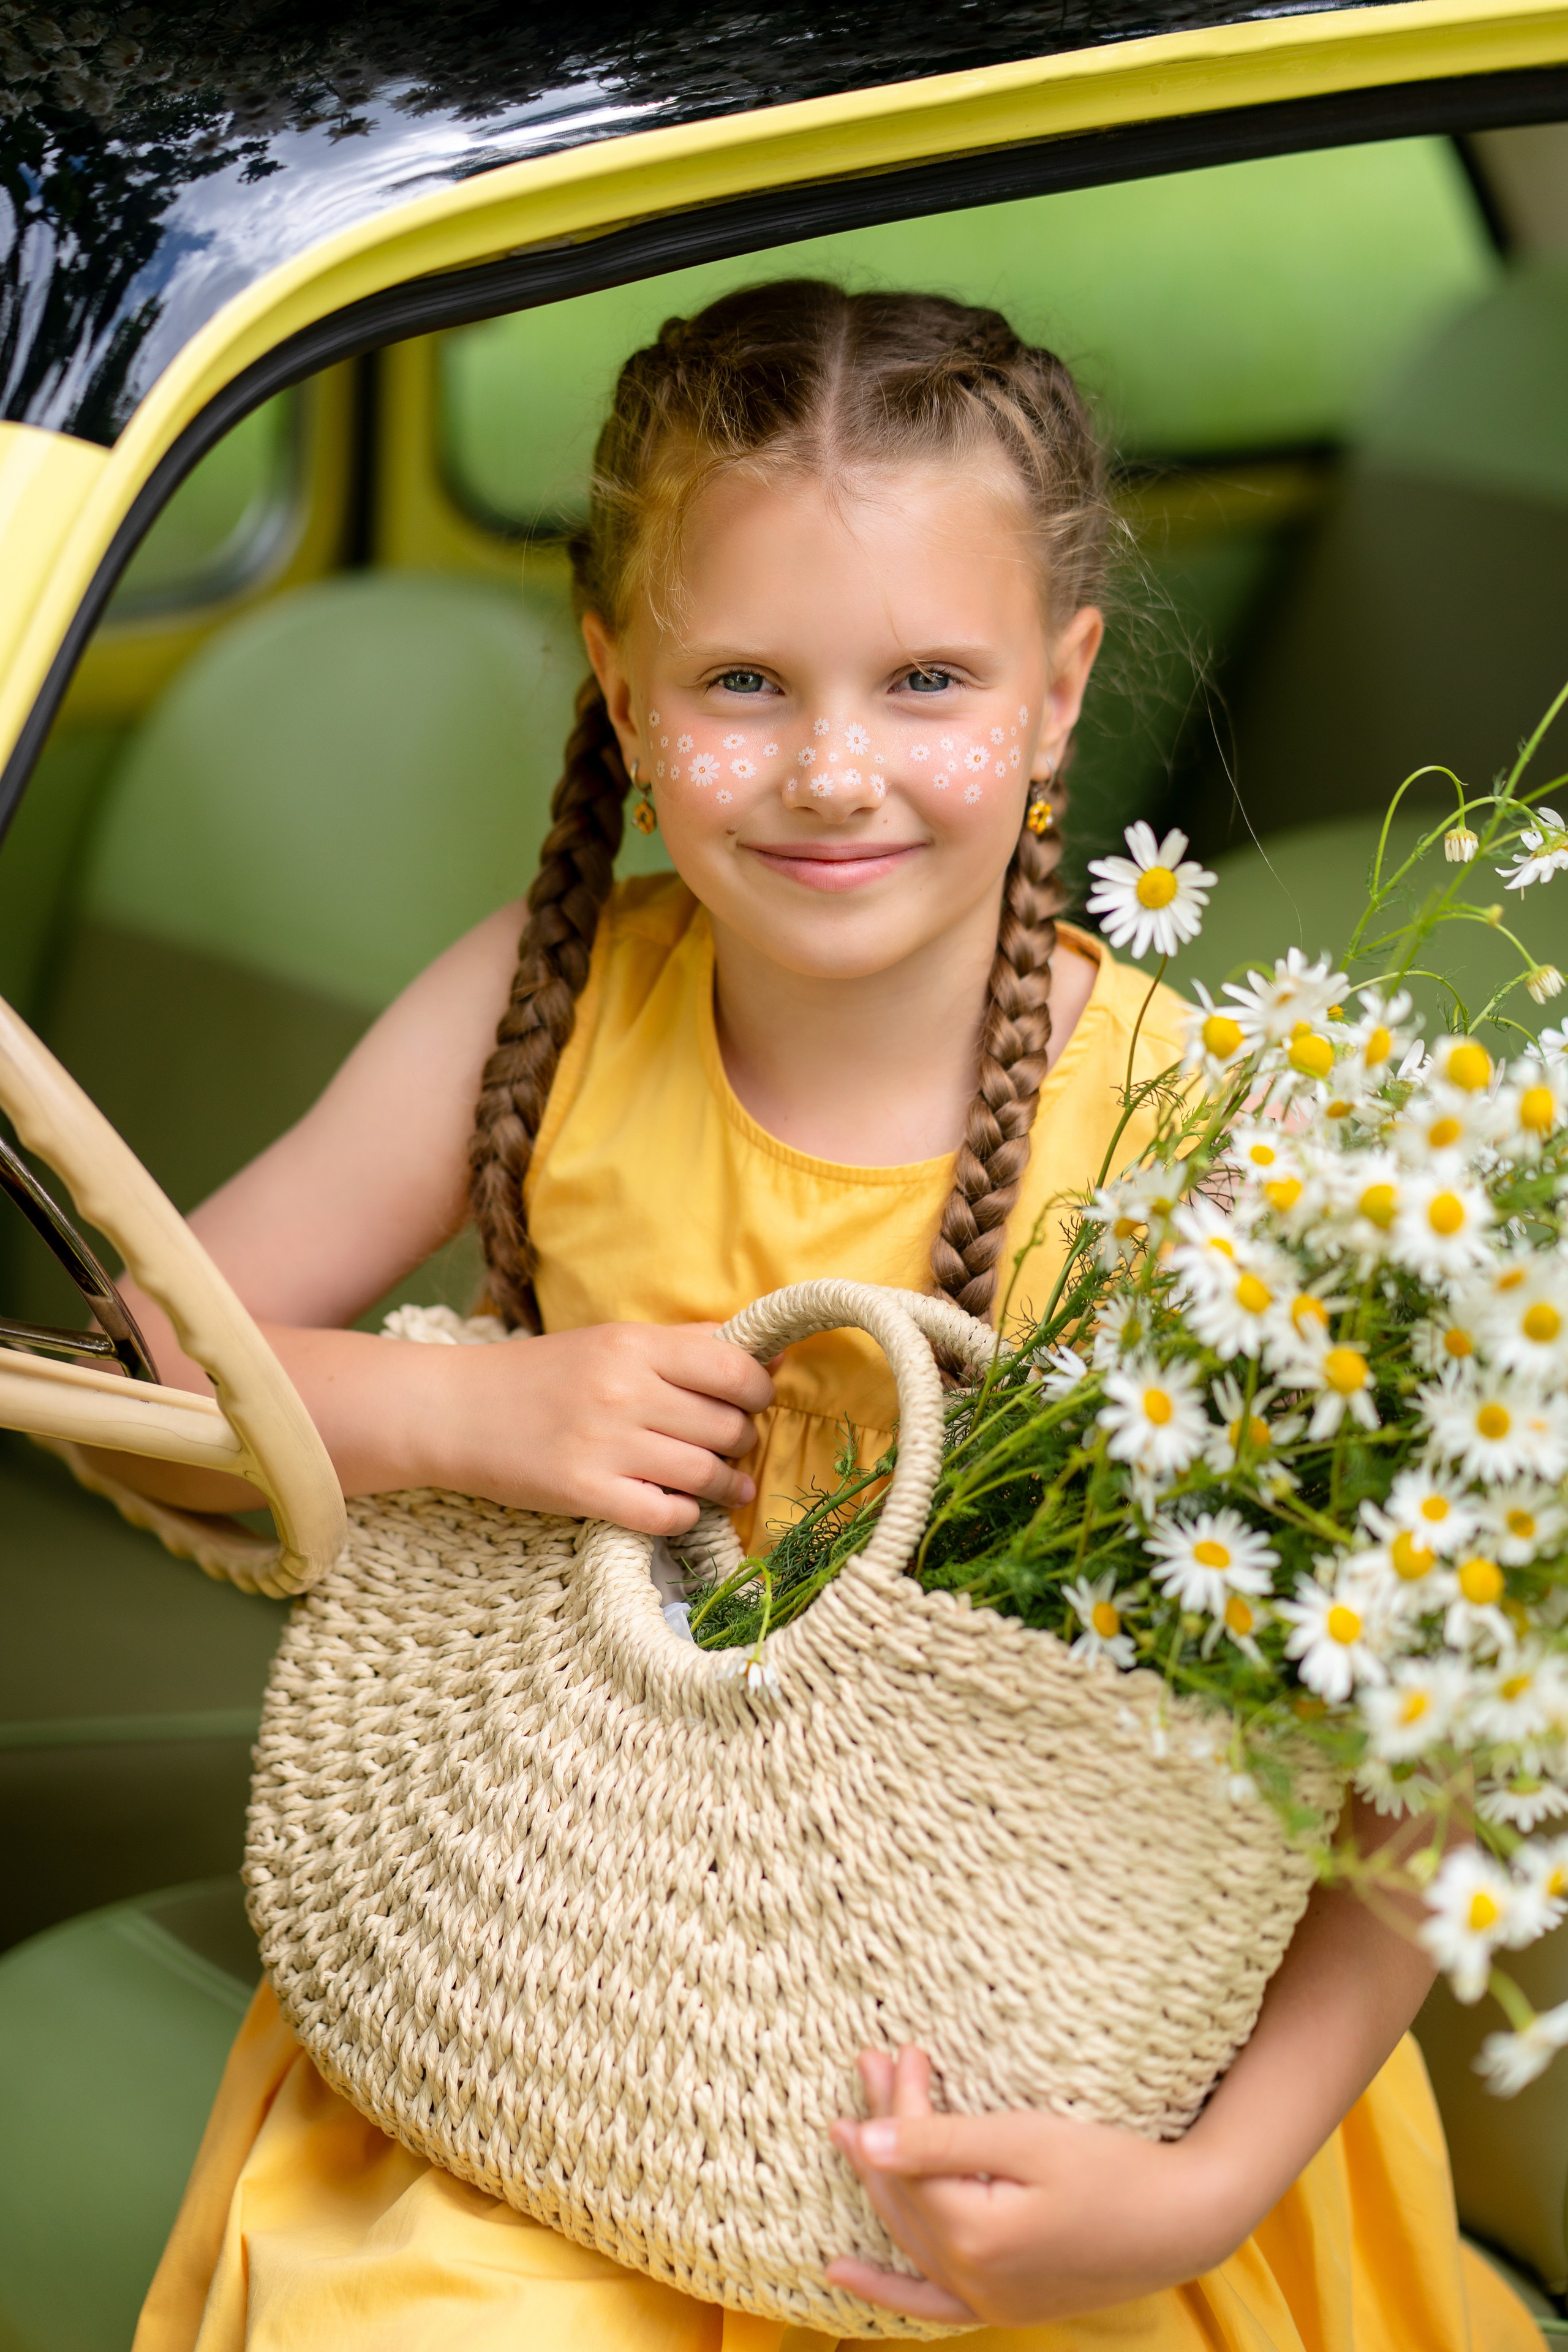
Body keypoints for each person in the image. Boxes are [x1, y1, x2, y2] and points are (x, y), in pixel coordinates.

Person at [121, 282, 1538, 2351]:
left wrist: (1200, 2188)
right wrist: (470, 1411)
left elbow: (1437, 1728)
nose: (833, 768)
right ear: (618, 684)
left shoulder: (1214, 1143)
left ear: (1061, 696)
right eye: (747, 681)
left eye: (929, 679)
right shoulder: (539, 1009)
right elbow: (147, 1369)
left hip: (1066, 2122)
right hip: (563, 2009)